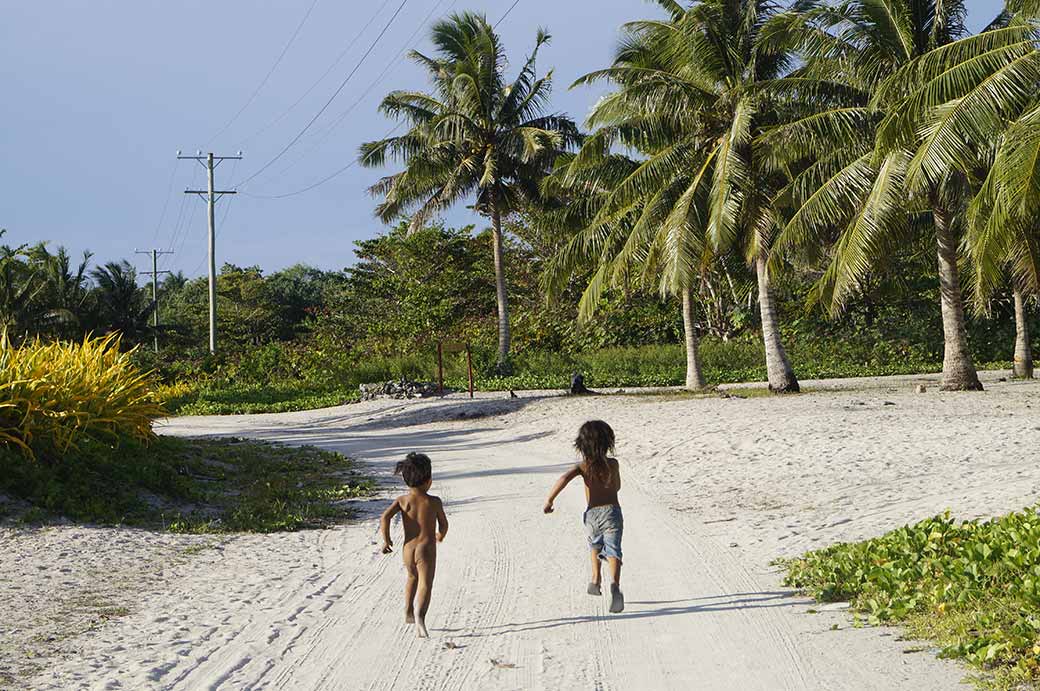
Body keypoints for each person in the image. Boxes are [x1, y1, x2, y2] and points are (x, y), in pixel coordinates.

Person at [543, 420, 624, 613]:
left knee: (595, 545)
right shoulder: (613, 464)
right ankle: (614, 585)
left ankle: (595, 580)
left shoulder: (583, 467)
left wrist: (550, 500)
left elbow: (563, 479)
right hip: (612, 511)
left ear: (582, 445)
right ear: (607, 443)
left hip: (592, 514)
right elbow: (618, 486)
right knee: (613, 550)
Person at [380, 452, 448, 637]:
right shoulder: (434, 502)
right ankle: (420, 616)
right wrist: (440, 535)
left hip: (408, 549)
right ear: (429, 481)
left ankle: (408, 611)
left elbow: (385, 517)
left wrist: (386, 539)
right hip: (426, 548)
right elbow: (444, 524)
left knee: (412, 577)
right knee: (426, 583)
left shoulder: (402, 501)